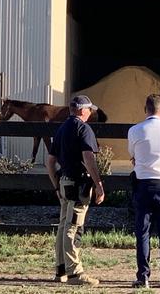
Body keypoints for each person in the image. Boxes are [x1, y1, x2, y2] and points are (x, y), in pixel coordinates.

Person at [46, 95, 105, 286]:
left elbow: (50, 161)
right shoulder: (84, 129)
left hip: (64, 182)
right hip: (78, 184)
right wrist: (98, 183)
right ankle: (75, 273)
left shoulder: (62, 128)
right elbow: (88, 157)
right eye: (89, 110)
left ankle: (61, 269)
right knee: (74, 227)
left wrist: (56, 184)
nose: (91, 113)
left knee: (63, 225)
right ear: (82, 110)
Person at [127, 94, 160, 289]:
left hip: (143, 184)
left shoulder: (134, 130)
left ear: (145, 109)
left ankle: (143, 276)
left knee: (142, 232)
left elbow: (132, 155)